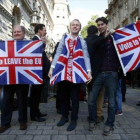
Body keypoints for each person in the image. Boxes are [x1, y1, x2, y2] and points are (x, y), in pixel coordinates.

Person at [48, 19, 92, 131]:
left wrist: (88, 71)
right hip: (63, 73)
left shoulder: (82, 41)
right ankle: (64, 116)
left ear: (80, 28)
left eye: (77, 25)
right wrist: (52, 68)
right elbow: (58, 53)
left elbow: (86, 56)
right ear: (70, 26)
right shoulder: (64, 39)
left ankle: (74, 119)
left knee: (75, 98)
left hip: (75, 74)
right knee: (63, 97)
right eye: (73, 25)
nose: (75, 26)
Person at [88, 17, 120, 136]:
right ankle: (92, 120)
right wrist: (106, 36)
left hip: (112, 74)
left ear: (107, 25)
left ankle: (109, 124)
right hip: (99, 74)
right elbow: (94, 44)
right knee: (91, 100)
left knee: (111, 102)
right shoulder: (97, 39)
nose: (100, 26)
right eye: (98, 25)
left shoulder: (115, 37)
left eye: (102, 24)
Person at [0, 25, 29, 133]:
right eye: (14, 32)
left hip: (22, 78)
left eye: (18, 32)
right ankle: (5, 123)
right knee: (6, 101)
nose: (16, 33)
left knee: (22, 100)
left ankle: (22, 121)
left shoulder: (29, 45)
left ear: (23, 33)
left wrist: (42, 45)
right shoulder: (6, 44)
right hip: (8, 77)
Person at [30, 24, 50, 122]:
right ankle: (34, 115)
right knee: (35, 94)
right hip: (37, 73)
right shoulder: (34, 40)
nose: (46, 32)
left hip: (40, 73)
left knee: (38, 94)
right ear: (39, 30)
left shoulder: (39, 41)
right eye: (44, 30)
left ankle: (36, 111)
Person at [85, 25, 105, 123]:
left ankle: (91, 115)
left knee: (90, 94)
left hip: (87, 72)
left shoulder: (84, 41)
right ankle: (99, 114)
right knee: (100, 94)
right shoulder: (100, 40)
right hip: (99, 71)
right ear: (96, 32)